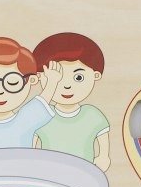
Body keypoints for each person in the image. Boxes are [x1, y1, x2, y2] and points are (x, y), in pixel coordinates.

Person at [32, 32, 110, 171]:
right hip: (48, 174)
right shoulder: (42, 115)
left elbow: (103, 147)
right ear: (39, 76)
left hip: (84, 173)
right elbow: (31, 148)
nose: (67, 86)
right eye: (57, 78)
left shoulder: (92, 115)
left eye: (78, 77)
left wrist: (103, 157)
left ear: (95, 75)